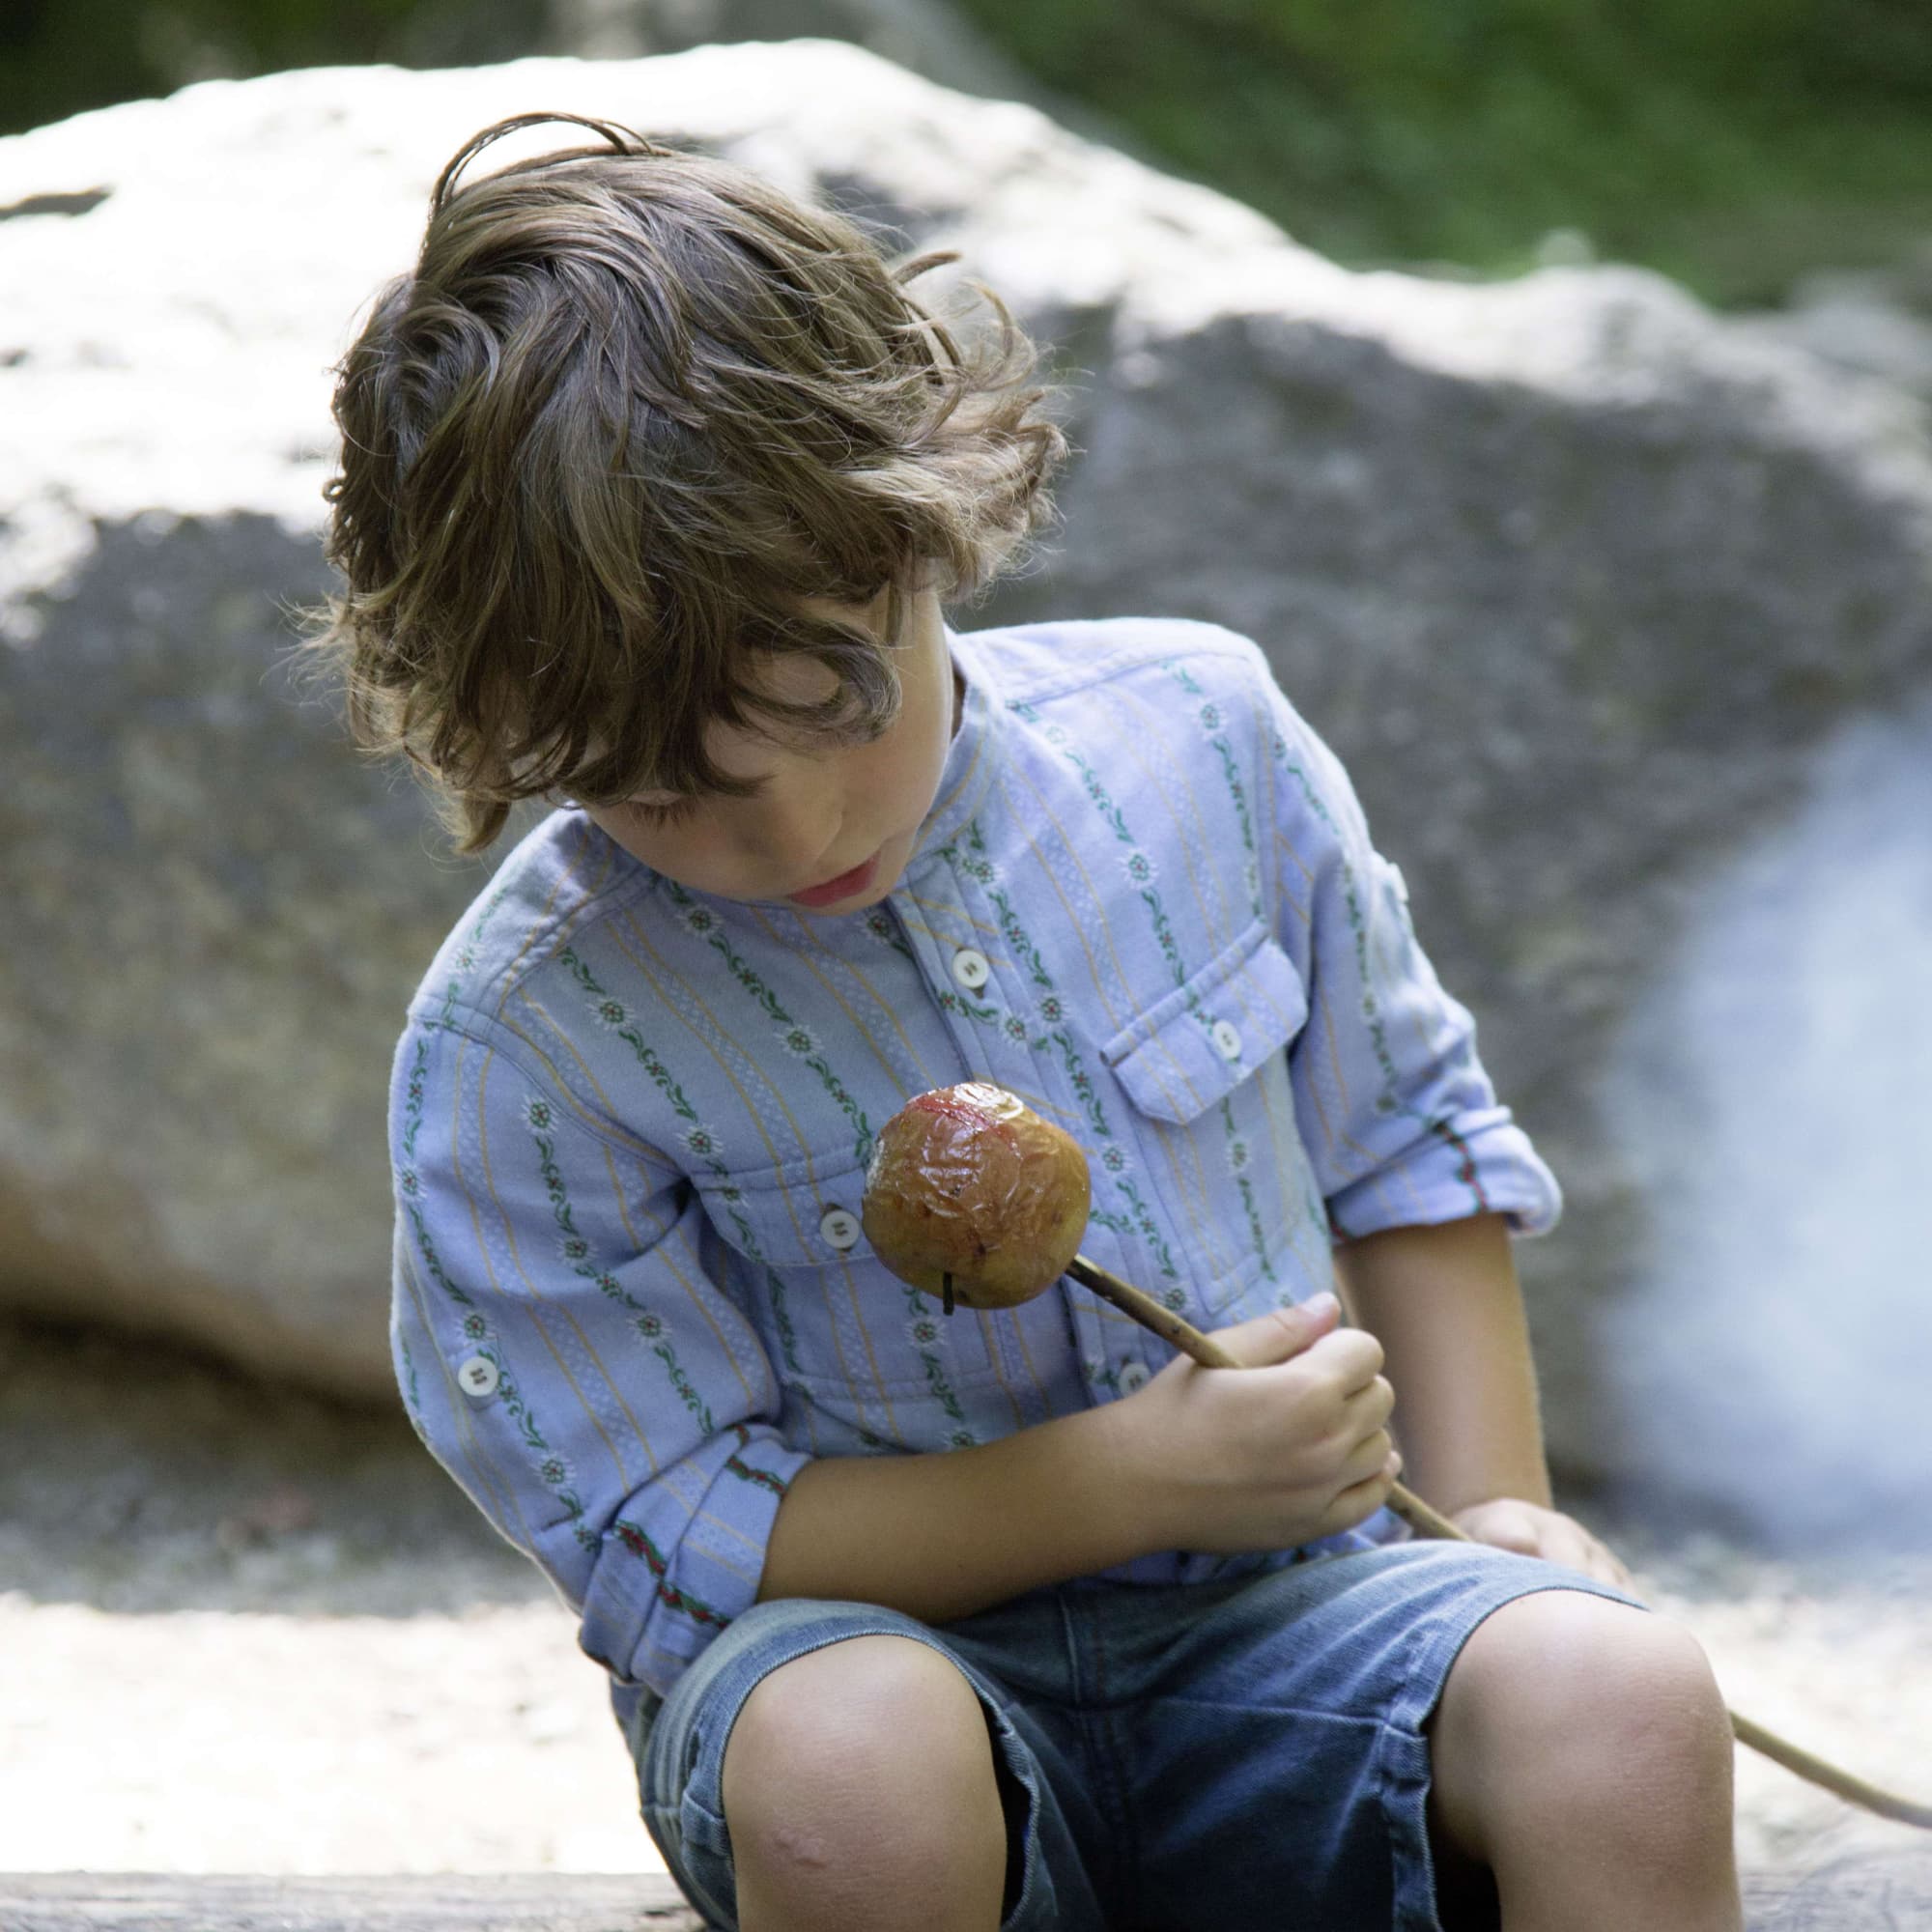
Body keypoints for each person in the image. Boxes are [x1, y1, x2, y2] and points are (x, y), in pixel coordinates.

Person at [312, 109, 1745, 1932]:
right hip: (872, 1669)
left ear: (928, 528)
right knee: (854, 1765)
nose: (792, 830)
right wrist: (1118, 1482)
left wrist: (1500, 1514)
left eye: (838, 710)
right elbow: (668, 1524)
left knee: (1620, 1695)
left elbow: (1409, 1144)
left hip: (1309, 1625)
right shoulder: (526, 1048)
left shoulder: (1203, 740)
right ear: (510, 735)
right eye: (662, 794)